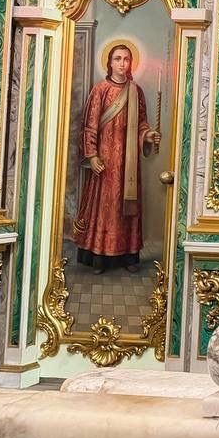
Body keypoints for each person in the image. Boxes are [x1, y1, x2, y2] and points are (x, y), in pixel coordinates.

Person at [73, 44, 161, 273]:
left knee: (127, 208)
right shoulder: (100, 90)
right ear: (109, 62)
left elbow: (142, 123)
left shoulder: (136, 91)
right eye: (117, 58)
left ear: (131, 63)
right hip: (105, 161)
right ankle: (99, 258)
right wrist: (92, 156)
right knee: (104, 208)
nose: (122, 63)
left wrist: (148, 135)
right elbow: (89, 125)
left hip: (129, 162)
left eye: (126, 59)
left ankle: (128, 256)